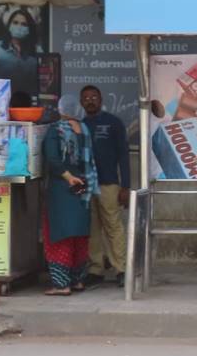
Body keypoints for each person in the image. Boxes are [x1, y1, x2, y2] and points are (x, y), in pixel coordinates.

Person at [80, 85, 131, 285]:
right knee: (92, 229)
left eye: (94, 97)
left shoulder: (113, 123)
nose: (90, 100)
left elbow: (124, 156)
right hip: (86, 186)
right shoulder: (81, 125)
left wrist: (125, 186)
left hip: (109, 184)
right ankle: (95, 269)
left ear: (100, 101)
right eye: (86, 98)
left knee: (113, 226)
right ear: (81, 102)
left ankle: (121, 269)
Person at [42, 115, 97, 295]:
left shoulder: (55, 130)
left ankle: (62, 284)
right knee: (79, 236)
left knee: (61, 235)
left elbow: (53, 158)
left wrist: (67, 177)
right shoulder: (85, 129)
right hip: (84, 187)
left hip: (63, 188)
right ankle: (78, 280)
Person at [0, 8, 40, 99]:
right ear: (9, 25)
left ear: (29, 28)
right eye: (15, 23)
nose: (19, 27)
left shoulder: (37, 51)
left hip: (28, 102)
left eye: (24, 24)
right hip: (1, 101)